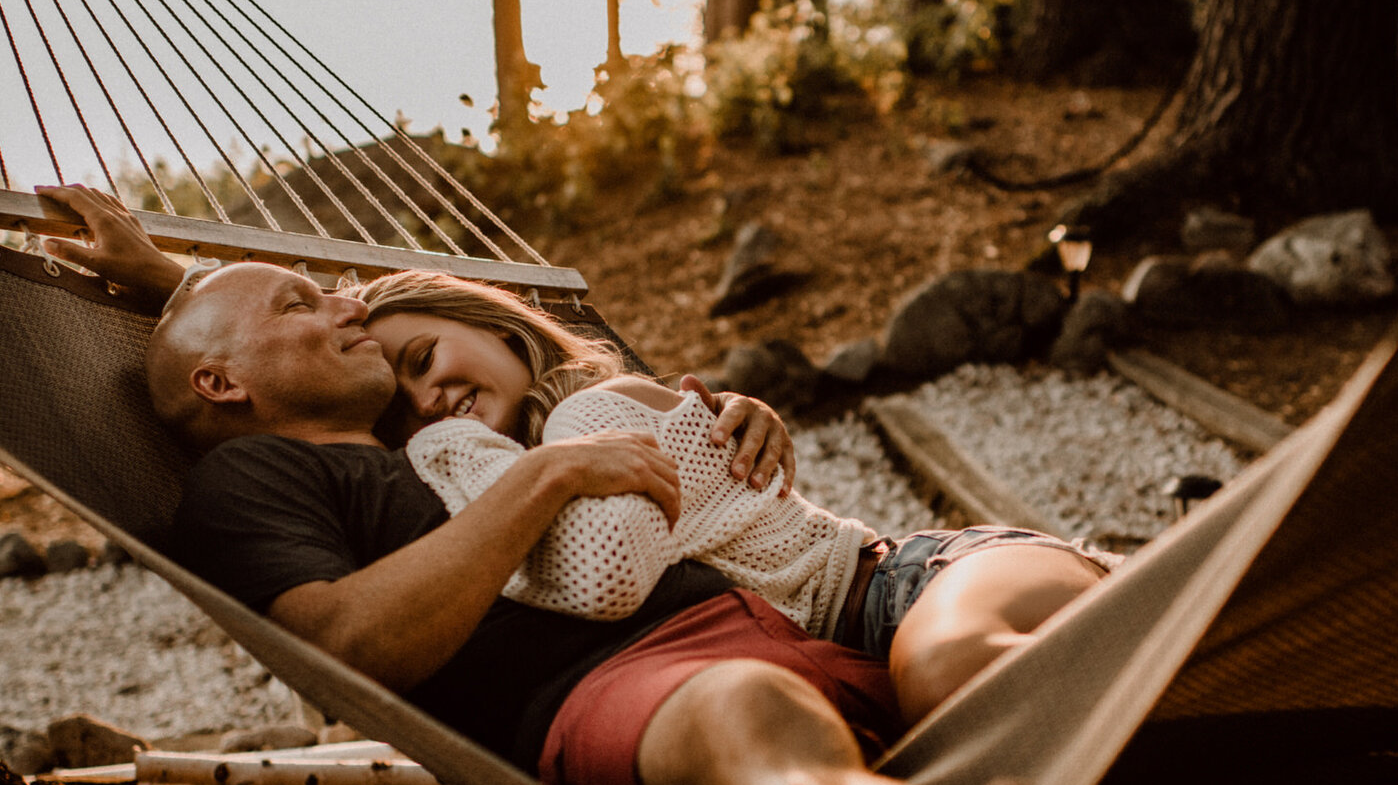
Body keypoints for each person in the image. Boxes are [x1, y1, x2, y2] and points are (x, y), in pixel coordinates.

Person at [39, 185, 1142, 785]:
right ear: (223, 386)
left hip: (793, 620)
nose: (340, 305)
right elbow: (349, 643)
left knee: (884, 714)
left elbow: (310, 340)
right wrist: (548, 477)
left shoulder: (433, 436)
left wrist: (158, 274)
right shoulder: (257, 478)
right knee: (756, 732)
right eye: (303, 302)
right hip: (614, 686)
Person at [357, 271, 1117, 723]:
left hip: (911, 582)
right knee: (953, 694)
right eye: (400, 409)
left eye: (423, 357)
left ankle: (1174, 620)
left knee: (949, 675)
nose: (425, 397)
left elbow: (609, 571)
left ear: (496, 328)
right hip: (881, 630)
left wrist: (448, 448)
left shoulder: (582, 418)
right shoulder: (545, 481)